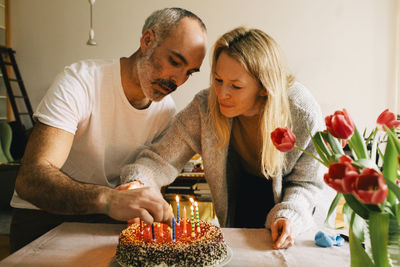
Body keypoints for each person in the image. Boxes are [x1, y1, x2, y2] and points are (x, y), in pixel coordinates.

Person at [10, 7, 207, 252]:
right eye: (175, 62)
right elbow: (30, 179)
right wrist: (107, 199)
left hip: (110, 223)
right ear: (147, 40)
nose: (178, 80)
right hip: (44, 219)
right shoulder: (80, 82)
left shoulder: (165, 110)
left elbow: (149, 181)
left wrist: (140, 199)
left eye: (189, 72)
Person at [120, 27, 325, 250]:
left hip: (295, 228)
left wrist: (289, 216)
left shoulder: (302, 110)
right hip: (238, 214)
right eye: (218, 80)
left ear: (264, 88)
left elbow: (307, 183)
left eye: (236, 86)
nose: (221, 93)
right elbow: (159, 159)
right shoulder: (204, 106)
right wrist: (137, 184)